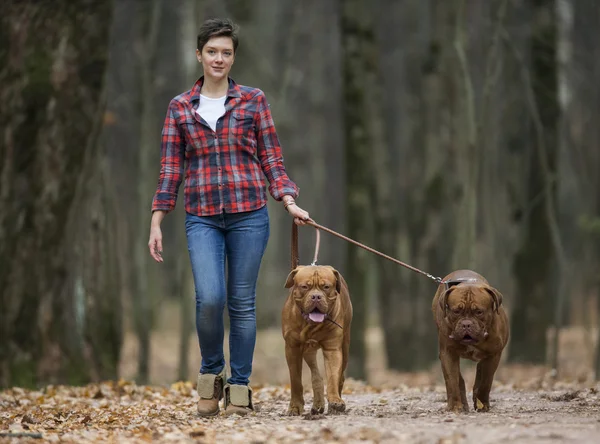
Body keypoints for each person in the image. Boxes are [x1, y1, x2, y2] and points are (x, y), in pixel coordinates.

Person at [148, 18, 309, 417]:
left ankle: (239, 386)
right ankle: (210, 377)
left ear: (233, 57)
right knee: (209, 299)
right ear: (199, 54)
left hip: (249, 214)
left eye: (226, 52)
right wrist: (157, 218)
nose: (219, 59)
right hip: (201, 215)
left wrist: (288, 199)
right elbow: (171, 168)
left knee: (241, 303)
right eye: (212, 51)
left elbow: (271, 156)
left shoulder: (253, 100)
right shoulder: (180, 107)